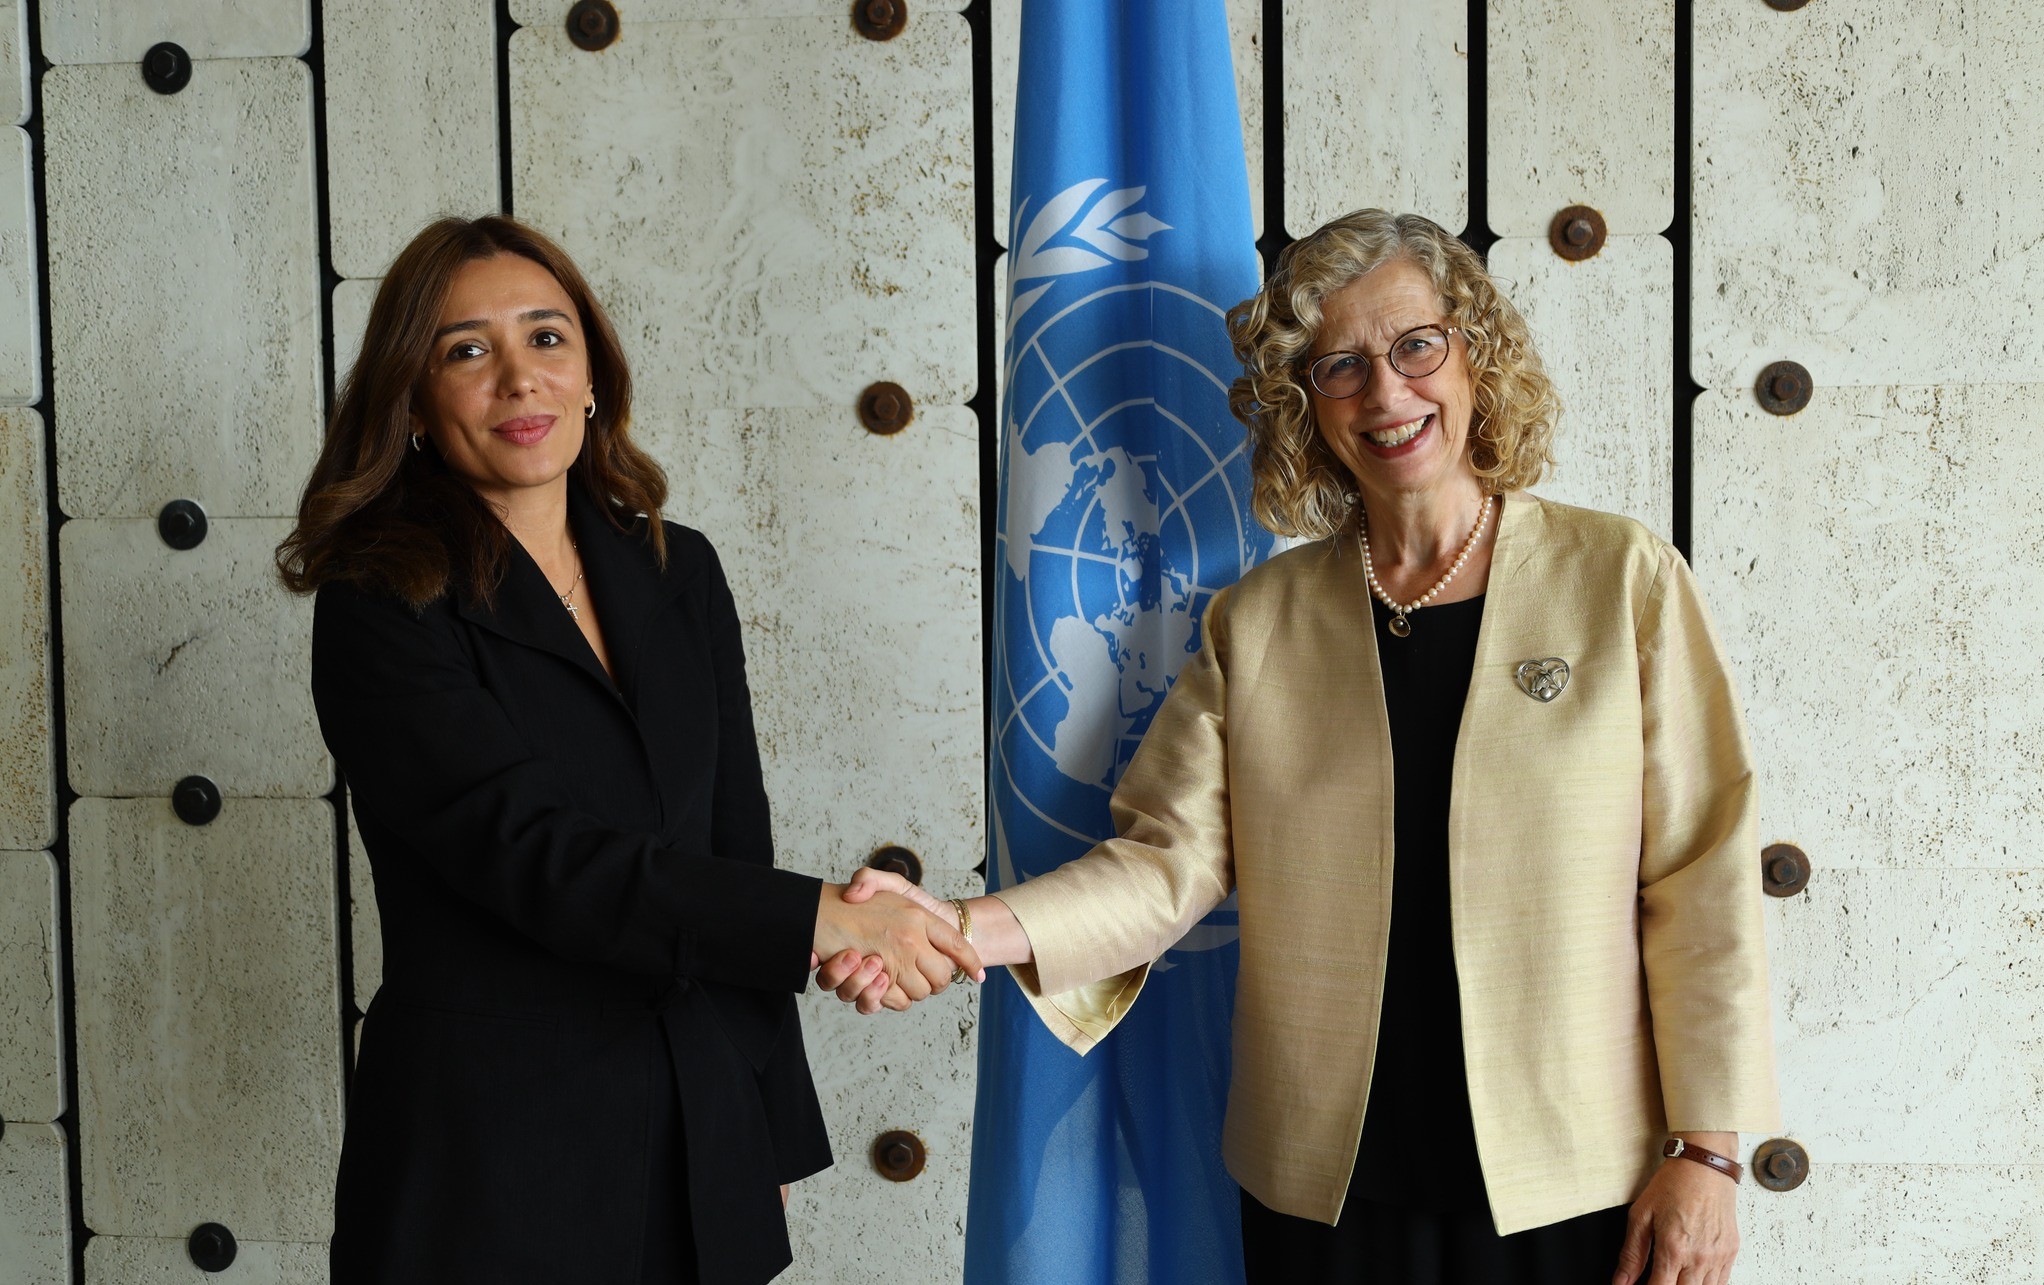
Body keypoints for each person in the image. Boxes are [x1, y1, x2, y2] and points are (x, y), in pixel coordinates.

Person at [828, 209, 1780, 1285]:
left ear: (1476, 355)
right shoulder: (1259, 619)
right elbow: (1162, 866)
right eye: (1341, 366)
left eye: (1416, 345)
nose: (1386, 393)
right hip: (1325, 1188)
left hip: (1573, 1180)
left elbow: (1700, 873)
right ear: (1303, 404)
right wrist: (956, 927)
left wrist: (1708, 1151)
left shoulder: (1621, 577)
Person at [278, 215, 979, 1285]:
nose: (520, 377)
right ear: (412, 402)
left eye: (546, 337)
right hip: (487, 1159)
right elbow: (534, 854)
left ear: (593, 375)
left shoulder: (677, 567)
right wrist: (824, 916)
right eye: (466, 350)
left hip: (698, 1136)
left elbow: (733, 842)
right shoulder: (380, 600)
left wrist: (766, 1128)